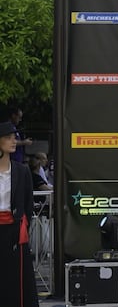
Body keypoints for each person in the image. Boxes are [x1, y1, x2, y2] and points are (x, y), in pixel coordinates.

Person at [0, 120, 39, 306]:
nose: (14, 141)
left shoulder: (22, 171)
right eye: (8, 138)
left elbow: (28, 204)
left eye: (14, 137)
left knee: (16, 278)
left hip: (15, 229)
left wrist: (23, 226)